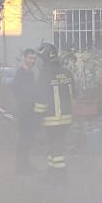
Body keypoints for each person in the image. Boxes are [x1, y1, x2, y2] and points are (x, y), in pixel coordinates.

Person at [33, 42, 73, 181]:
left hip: (51, 119)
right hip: (66, 119)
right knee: (56, 146)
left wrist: (36, 117)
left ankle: (60, 176)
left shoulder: (45, 74)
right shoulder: (66, 72)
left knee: (55, 148)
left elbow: (41, 99)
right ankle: (52, 173)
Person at [11, 49, 41, 175]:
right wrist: (26, 103)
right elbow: (16, 90)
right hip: (25, 113)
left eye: (34, 58)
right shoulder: (22, 73)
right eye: (30, 58)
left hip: (29, 112)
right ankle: (21, 168)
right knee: (24, 140)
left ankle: (25, 166)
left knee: (28, 140)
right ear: (24, 58)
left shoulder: (29, 73)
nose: (32, 61)